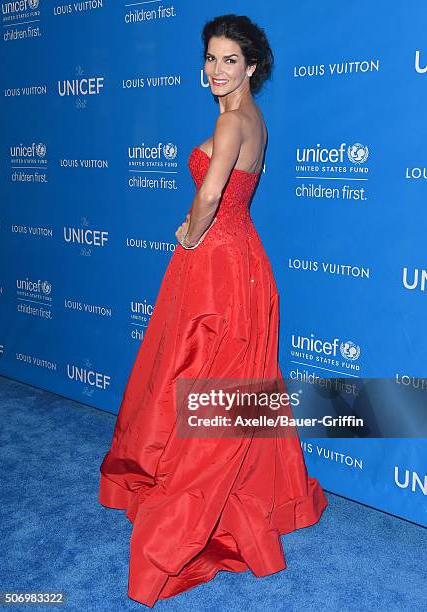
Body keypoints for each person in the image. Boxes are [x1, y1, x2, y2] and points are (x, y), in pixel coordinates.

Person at [98, 14, 328, 607]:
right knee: (236, 382)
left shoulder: (231, 123)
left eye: (229, 60)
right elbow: (236, 195)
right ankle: (248, 496)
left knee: (196, 373)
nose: (216, 70)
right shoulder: (257, 120)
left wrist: (188, 235)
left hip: (217, 264)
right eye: (210, 58)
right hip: (245, 258)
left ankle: (191, 508)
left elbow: (208, 196)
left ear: (252, 66)